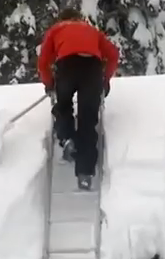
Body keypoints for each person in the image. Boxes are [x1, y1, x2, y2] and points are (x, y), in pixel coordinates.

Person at [37, 7, 120, 190]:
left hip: (67, 66)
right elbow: (113, 54)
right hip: (92, 68)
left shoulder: (56, 30)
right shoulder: (91, 30)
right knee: (88, 120)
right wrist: (105, 80)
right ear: (78, 18)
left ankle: (67, 138)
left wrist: (49, 84)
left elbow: (43, 62)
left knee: (63, 106)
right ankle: (85, 173)